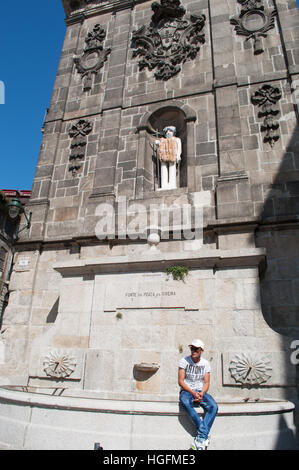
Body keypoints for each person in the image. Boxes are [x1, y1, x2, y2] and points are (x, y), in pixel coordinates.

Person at [178, 339, 218, 450]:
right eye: (192, 348)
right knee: (185, 402)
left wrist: (201, 393)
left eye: (196, 349)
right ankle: (203, 435)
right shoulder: (184, 361)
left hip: (201, 391)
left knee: (213, 407)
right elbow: (181, 381)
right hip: (187, 391)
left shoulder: (205, 363)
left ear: (201, 350)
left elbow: (206, 382)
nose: (193, 351)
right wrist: (193, 393)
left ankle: (201, 438)